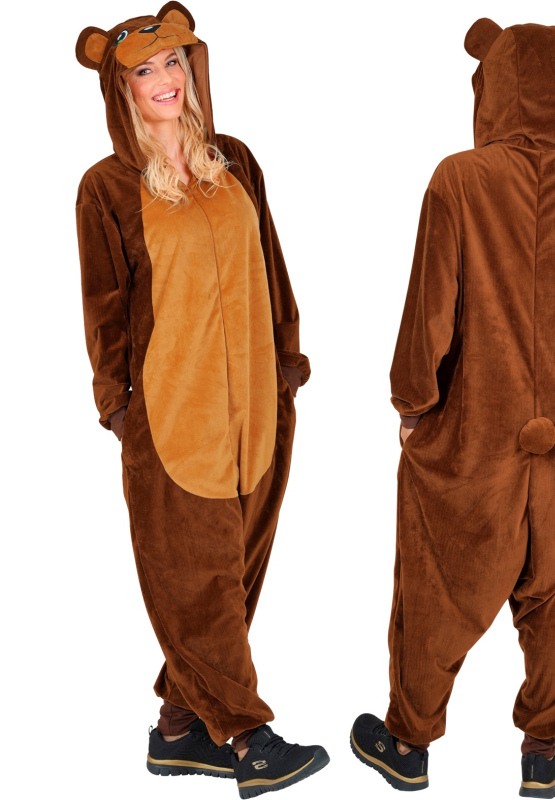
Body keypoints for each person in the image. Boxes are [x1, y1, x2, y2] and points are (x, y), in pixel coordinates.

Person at [350, 18, 555, 797]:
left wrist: (413, 402)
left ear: (487, 88)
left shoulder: (459, 178)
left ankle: (408, 742)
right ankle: (542, 750)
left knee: (438, 581)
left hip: (475, 427)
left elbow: (429, 307)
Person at [74, 3, 329, 796]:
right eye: (144, 69)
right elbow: (103, 308)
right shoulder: (106, 187)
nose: (164, 79)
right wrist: (118, 407)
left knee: (233, 573)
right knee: (197, 581)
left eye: (173, 62)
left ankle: (179, 730)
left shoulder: (235, 160)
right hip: (171, 416)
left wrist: (287, 361)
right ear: (119, 87)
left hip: (257, 406)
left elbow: (273, 265)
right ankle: (249, 739)